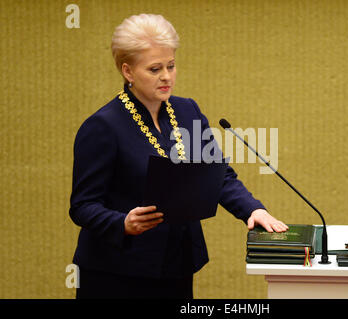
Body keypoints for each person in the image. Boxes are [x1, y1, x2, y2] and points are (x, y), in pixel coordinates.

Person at [69, 13, 288, 299]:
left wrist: (253, 209)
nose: (166, 76)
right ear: (128, 71)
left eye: (171, 66)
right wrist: (122, 223)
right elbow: (82, 205)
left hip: (176, 264)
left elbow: (218, 174)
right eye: (154, 69)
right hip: (117, 272)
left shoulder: (187, 111)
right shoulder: (103, 126)